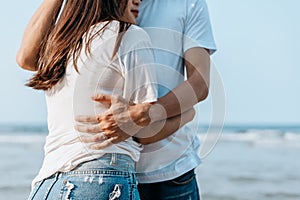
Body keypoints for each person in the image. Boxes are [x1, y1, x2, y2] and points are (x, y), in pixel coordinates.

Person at [15, 0, 191, 199]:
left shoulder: (60, 46)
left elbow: (24, 58)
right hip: (101, 180)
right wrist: (186, 115)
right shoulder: (130, 36)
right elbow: (143, 132)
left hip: (47, 183)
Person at [75, 0, 217, 199]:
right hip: (104, 173)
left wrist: (146, 113)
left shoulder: (188, 4)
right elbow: (27, 59)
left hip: (170, 173)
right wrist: (185, 115)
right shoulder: (94, 5)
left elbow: (199, 84)